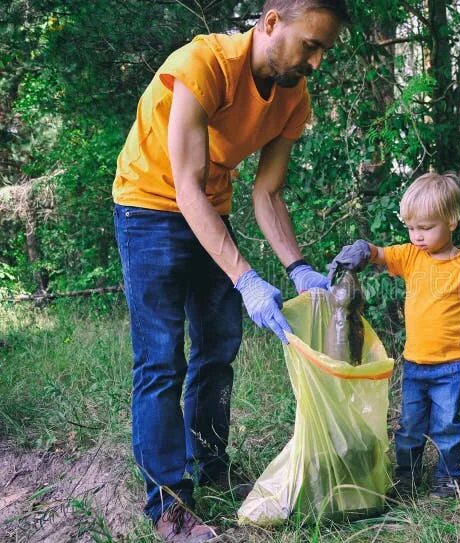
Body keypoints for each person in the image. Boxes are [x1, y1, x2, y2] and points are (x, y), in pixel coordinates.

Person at [112, 1, 349, 540]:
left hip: (209, 210)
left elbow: (266, 192)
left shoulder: (294, 95)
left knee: (218, 349)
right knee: (161, 361)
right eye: (310, 44)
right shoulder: (203, 64)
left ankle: (211, 471)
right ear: (270, 22)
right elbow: (185, 187)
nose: (316, 61)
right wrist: (245, 278)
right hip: (149, 206)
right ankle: (169, 505)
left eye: (323, 51)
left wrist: (298, 268)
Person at [326, 172, 460, 499]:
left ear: (452, 220)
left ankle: (448, 480)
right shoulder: (410, 257)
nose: (417, 236)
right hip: (415, 364)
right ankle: (407, 479)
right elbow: (379, 253)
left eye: (425, 228)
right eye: (411, 228)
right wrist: (360, 250)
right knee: (409, 428)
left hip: (454, 366)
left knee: (446, 427)